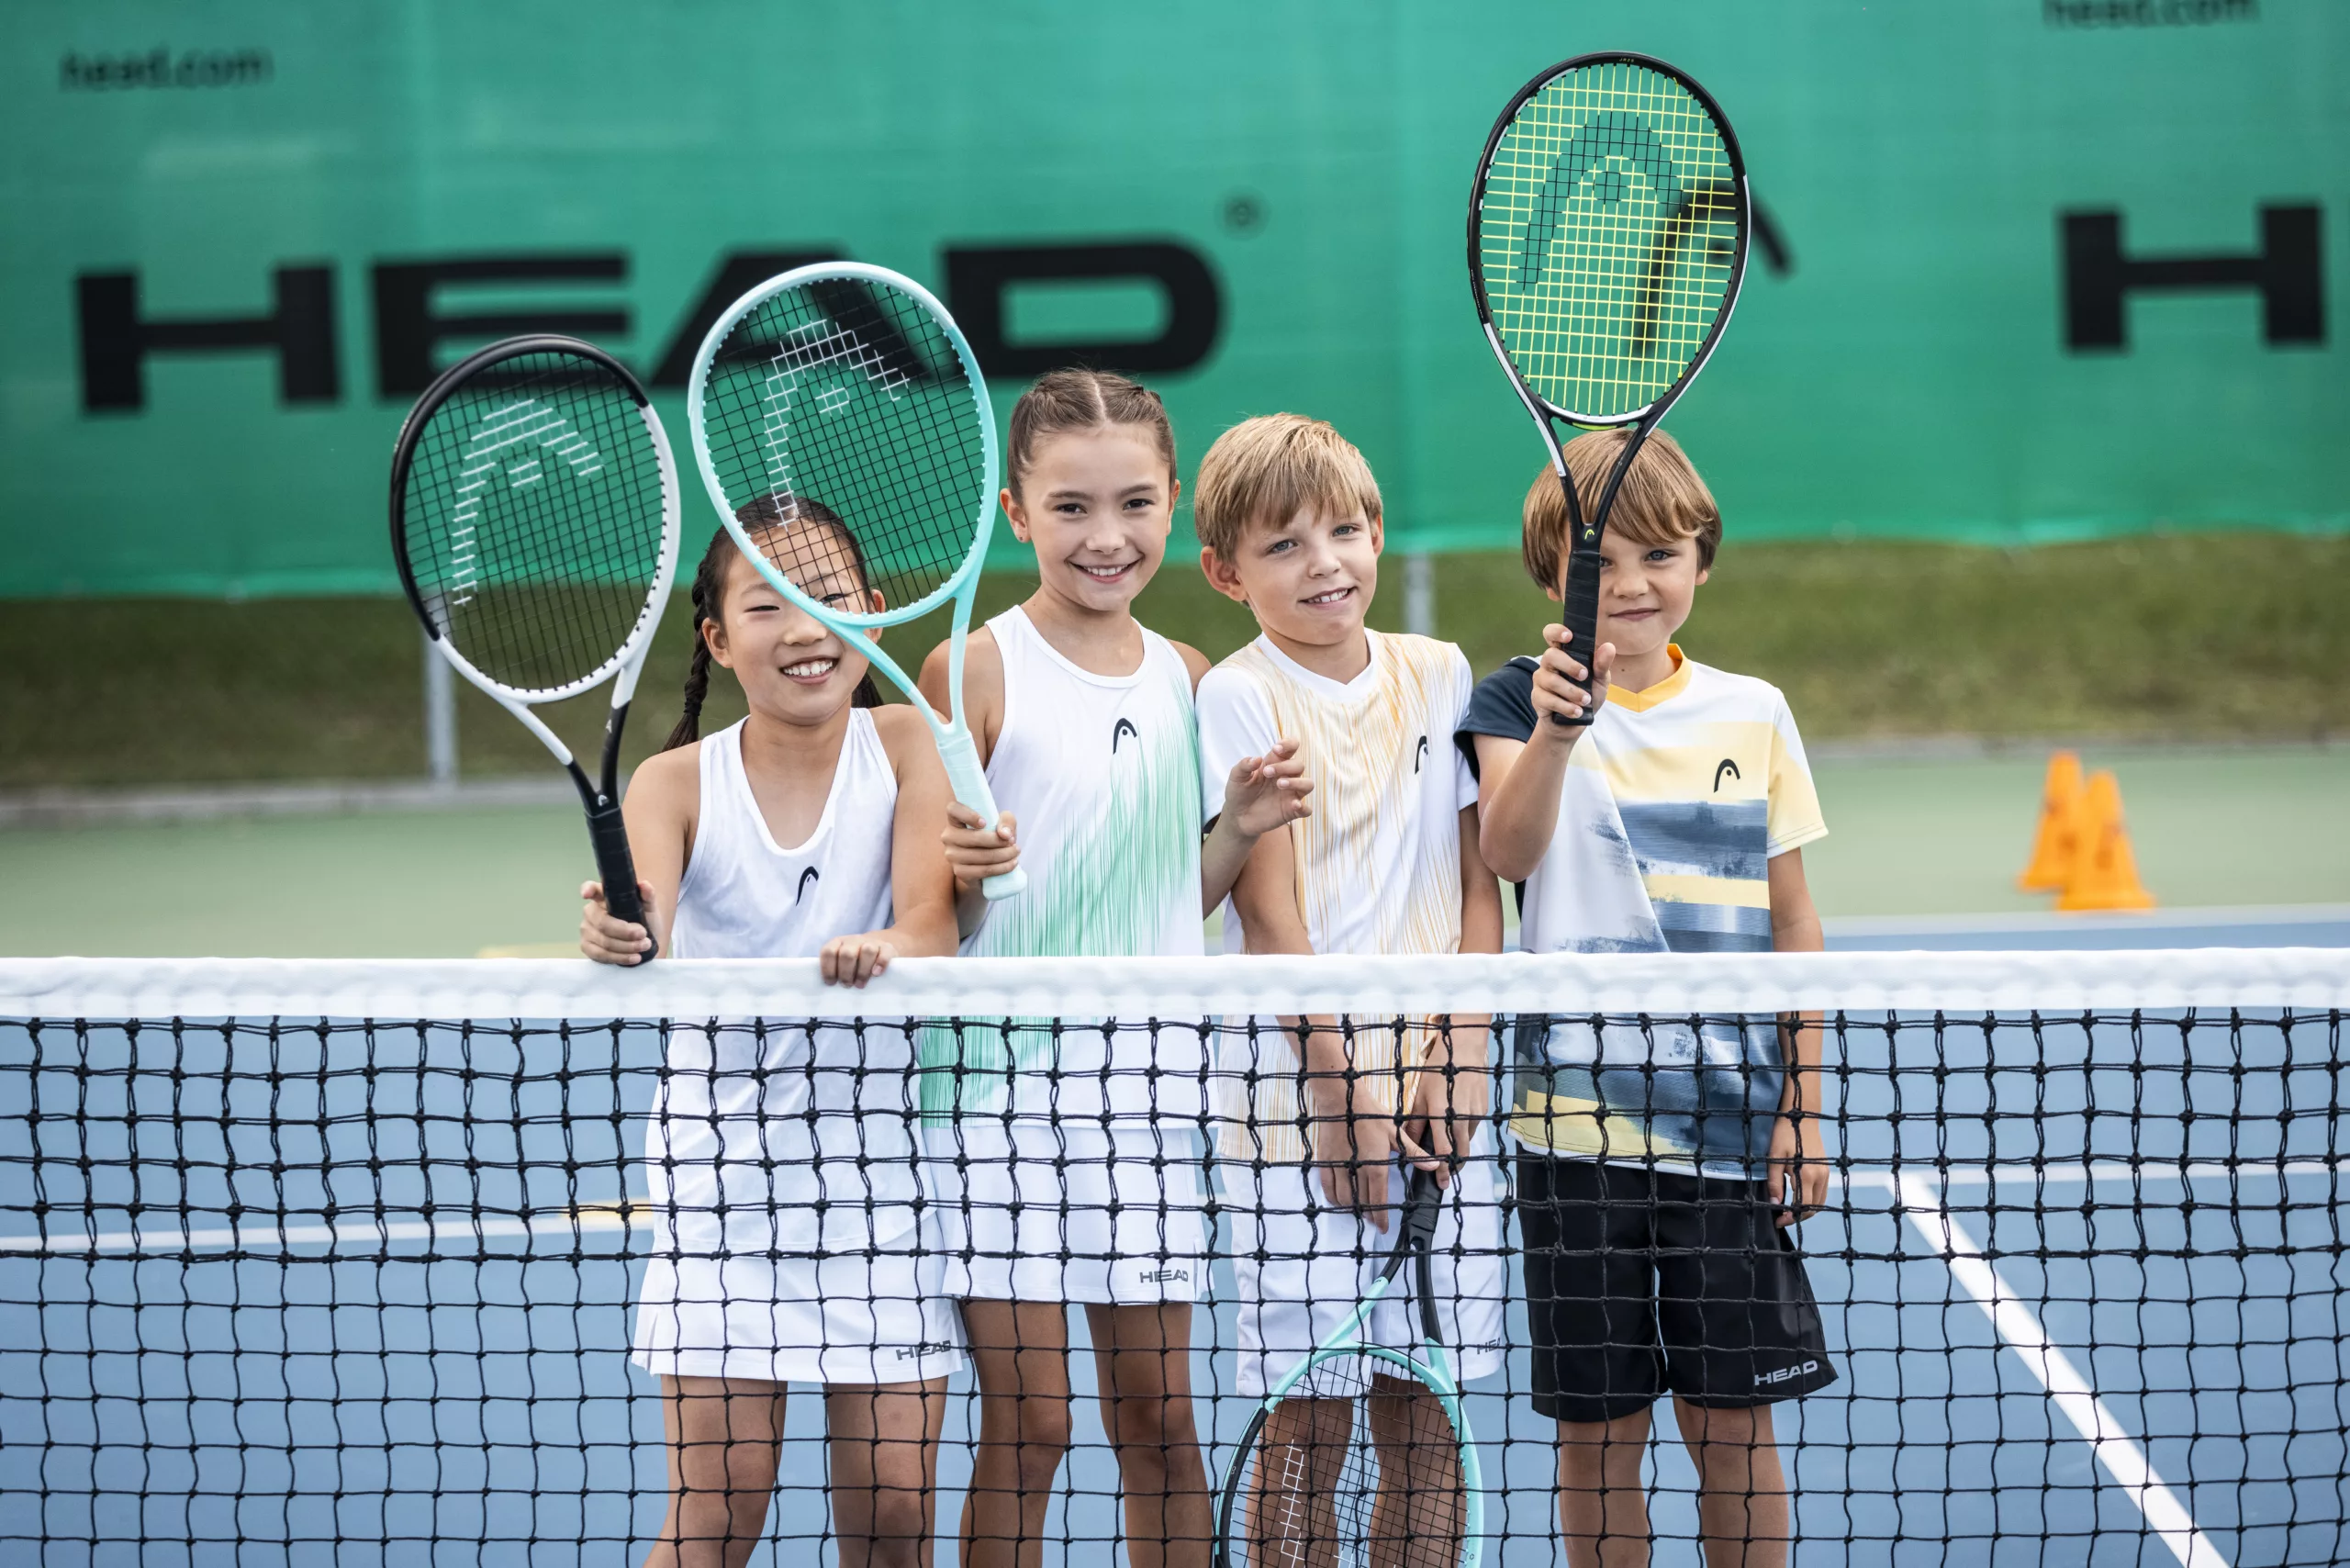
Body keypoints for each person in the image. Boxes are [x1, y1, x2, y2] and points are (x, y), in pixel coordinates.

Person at [916, 370, 1311, 1568]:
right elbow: (938, 919)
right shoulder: (972, 673)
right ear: (1015, 512)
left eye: (1133, 504)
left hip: (1146, 1101)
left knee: (1160, 1423)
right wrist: (975, 873)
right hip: (994, 1111)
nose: (1106, 536)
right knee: (1030, 1429)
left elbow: (1170, 908)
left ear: (1173, 503)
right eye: (1072, 507)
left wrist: (1236, 830)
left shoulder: (1194, 679)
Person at [1457, 432, 1837, 1568]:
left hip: (1728, 1132)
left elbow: (1795, 924)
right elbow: (1509, 854)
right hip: (1572, 1137)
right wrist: (1560, 735)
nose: (1631, 583)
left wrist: (1804, 1106)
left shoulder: (1753, 710)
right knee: (1599, 1433)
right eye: (1602, 560)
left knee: (1731, 1427)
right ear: (1552, 573)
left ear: (1702, 563)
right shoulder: (1512, 699)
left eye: (1660, 554)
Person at [578, 496, 966, 1568]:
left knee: (895, 1517)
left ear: (875, 615)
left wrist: (888, 944)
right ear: (716, 637)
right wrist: (616, 927)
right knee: (719, 1516)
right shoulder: (672, 781)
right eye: (768, 603)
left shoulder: (907, 744)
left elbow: (934, 922)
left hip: (880, 1188)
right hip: (725, 1197)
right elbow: (641, 916)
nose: (804, 627)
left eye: (828, 597)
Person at [1191, 411, 1507, 1568]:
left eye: (1346, 530)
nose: (1324, 561)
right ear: (1227, 573)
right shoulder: (1233, 696)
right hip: (1291, 1110)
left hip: (1443, 1099)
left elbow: (1482, 892)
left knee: (1425, 1418)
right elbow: (1267, 918)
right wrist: (1340, 1094)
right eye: (1283, 546)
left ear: (1378, 535)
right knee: (1308, 1423)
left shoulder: (1440, 674)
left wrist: (1461, 1048)